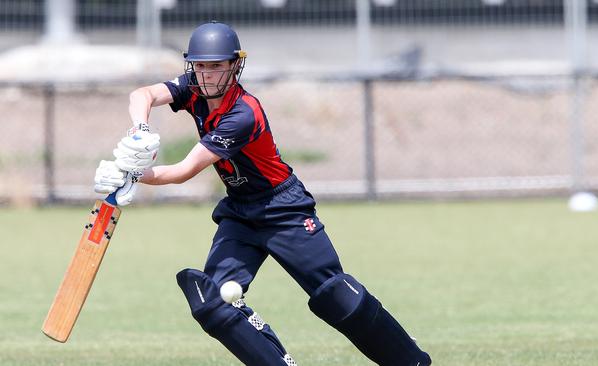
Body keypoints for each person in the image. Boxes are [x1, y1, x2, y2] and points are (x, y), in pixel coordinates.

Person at [93, 21, 431, 366]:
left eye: (216, 66)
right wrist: (141, 131)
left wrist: (132, 173)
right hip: (240, 212)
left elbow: (183, 171)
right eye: (200, 66)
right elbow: (142, 95)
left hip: (283, 209)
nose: (207, 75)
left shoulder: (242, 113)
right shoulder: (192, 89)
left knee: (334, 296)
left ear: (234, 66)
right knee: (213, 303)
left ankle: (408, 358)